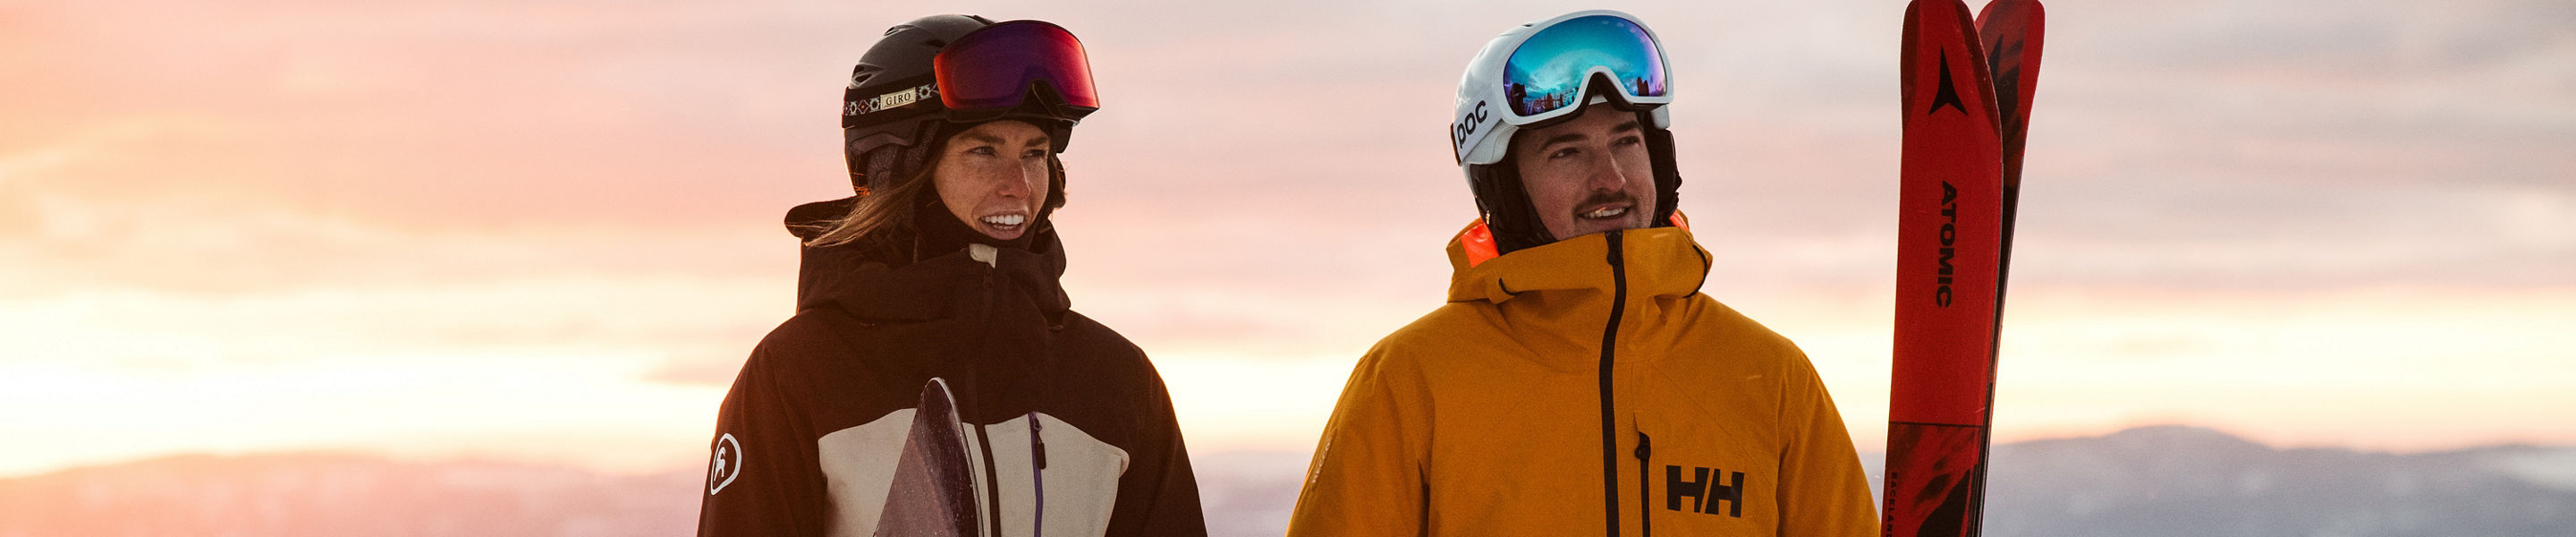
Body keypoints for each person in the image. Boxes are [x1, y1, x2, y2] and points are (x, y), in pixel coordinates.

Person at [1285, 10, 1877, 536]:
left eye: (1627, 141)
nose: (1611, 178)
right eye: (1566, 152)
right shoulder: (1409, 382)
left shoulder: (1771, 378)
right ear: (1504, 189)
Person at [695, 14, 1206, 537]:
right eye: (983, 151)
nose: (1019, 186)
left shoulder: (1116, 380)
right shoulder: (801, 373)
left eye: (1034, 154)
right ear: (901, 168)